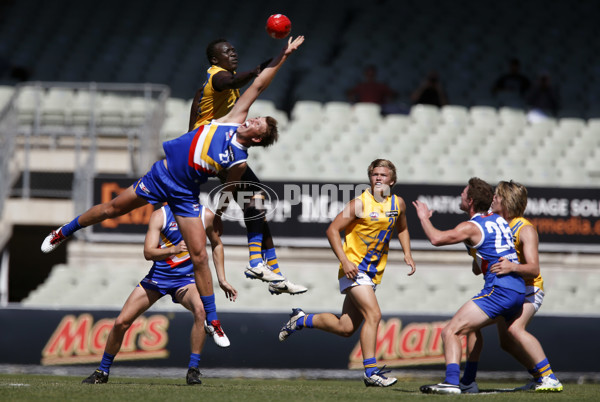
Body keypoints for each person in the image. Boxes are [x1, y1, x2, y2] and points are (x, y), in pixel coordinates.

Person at [41, 36, 306, 343]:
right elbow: (258, 85)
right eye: (256, 118)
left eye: (257, 124)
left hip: (184, 193)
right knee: (111, 209)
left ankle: (214, 321)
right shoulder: (231, 119)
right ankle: (63, 231)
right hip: (161, 174)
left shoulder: (239, 160)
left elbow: (231, 189)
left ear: (257, 139)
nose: (253, 120)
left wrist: (219, 213)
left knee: (199, 256)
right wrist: (282, 56)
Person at [278, 159, 416, 387]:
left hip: (372, 274)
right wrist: (344, 260)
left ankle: (301, 320)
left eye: (383, 175)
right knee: (374, 315)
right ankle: (371, 372)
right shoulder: (359, 204)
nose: (378, 178)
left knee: (346, 328)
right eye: (375, 174)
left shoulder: (398, 203)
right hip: (353, 269)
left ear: (393, 180)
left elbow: (402, 228)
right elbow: (332, 230)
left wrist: (408, 254)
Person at [188, 38, 307, 296]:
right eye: (226, 51)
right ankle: (256, 262)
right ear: (214, 60)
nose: (233, 53)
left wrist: (282, 55)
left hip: (212, 142)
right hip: (212, 146)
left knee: (256, 207)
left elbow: (258, 79)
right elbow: (235, 81)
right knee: (255, 198)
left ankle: (273, 272)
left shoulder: (223, 88)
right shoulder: (218, 78)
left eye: (234, 49)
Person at [82, 204, 237, 385]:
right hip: (158, 279)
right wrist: (173, 249)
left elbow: (217, 244)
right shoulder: (160, 215)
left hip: (186, 281)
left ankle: (193, 370)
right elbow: (148, 252)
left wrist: (222, 279)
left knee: (201, 310)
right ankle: (103, 371)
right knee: (120, 322)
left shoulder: (205, 215)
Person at [414, 177, 526, 395]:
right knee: (472, 331)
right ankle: (468, 382)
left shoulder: (471, 226)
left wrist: (423, 218)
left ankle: (451, 382)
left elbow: (436, 239)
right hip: (517, 290)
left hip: (499, 290)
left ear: (471, 200)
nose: (461, 196)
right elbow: (479, 265)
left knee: (450, 332)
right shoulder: (498, 220)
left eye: (464, 193)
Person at [460, 181, 563, 393]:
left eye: (497, 196)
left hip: (529, 289)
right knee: (502, 341)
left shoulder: (525, 229)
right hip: (507, 289)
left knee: (515, 329)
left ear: (506, 201)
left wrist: (511, 266)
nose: (492, 199)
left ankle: (550, 378)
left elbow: (533, 269)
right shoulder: (496, 224)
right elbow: (477, 269)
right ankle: (537, 378)